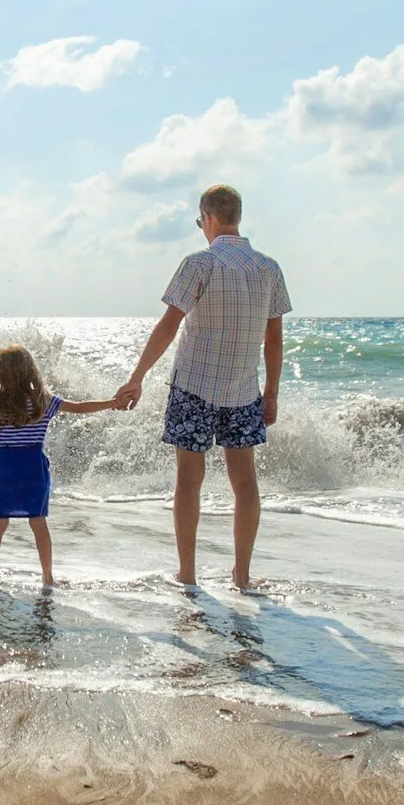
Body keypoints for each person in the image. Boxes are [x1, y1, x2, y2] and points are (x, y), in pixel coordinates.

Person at [112, 184, 291, 590]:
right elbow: (274, 339)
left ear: (208, 218)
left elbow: (168, 326)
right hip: (244, 391)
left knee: (189, 481)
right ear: (237, 217)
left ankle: (188, 574)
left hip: (193, 387)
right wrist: (273, 393)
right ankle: (241, 576)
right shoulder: (268, 268)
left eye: (200, 221)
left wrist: (136, 376)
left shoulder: (199, 264)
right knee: (245, 482)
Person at [0, 344, 122, 588]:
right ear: (30, 371)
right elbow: (80, 408)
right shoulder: (42, 402)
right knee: (38, 523)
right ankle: (48, 577)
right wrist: (112, 402)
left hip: (4, 469)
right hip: (33, 469)